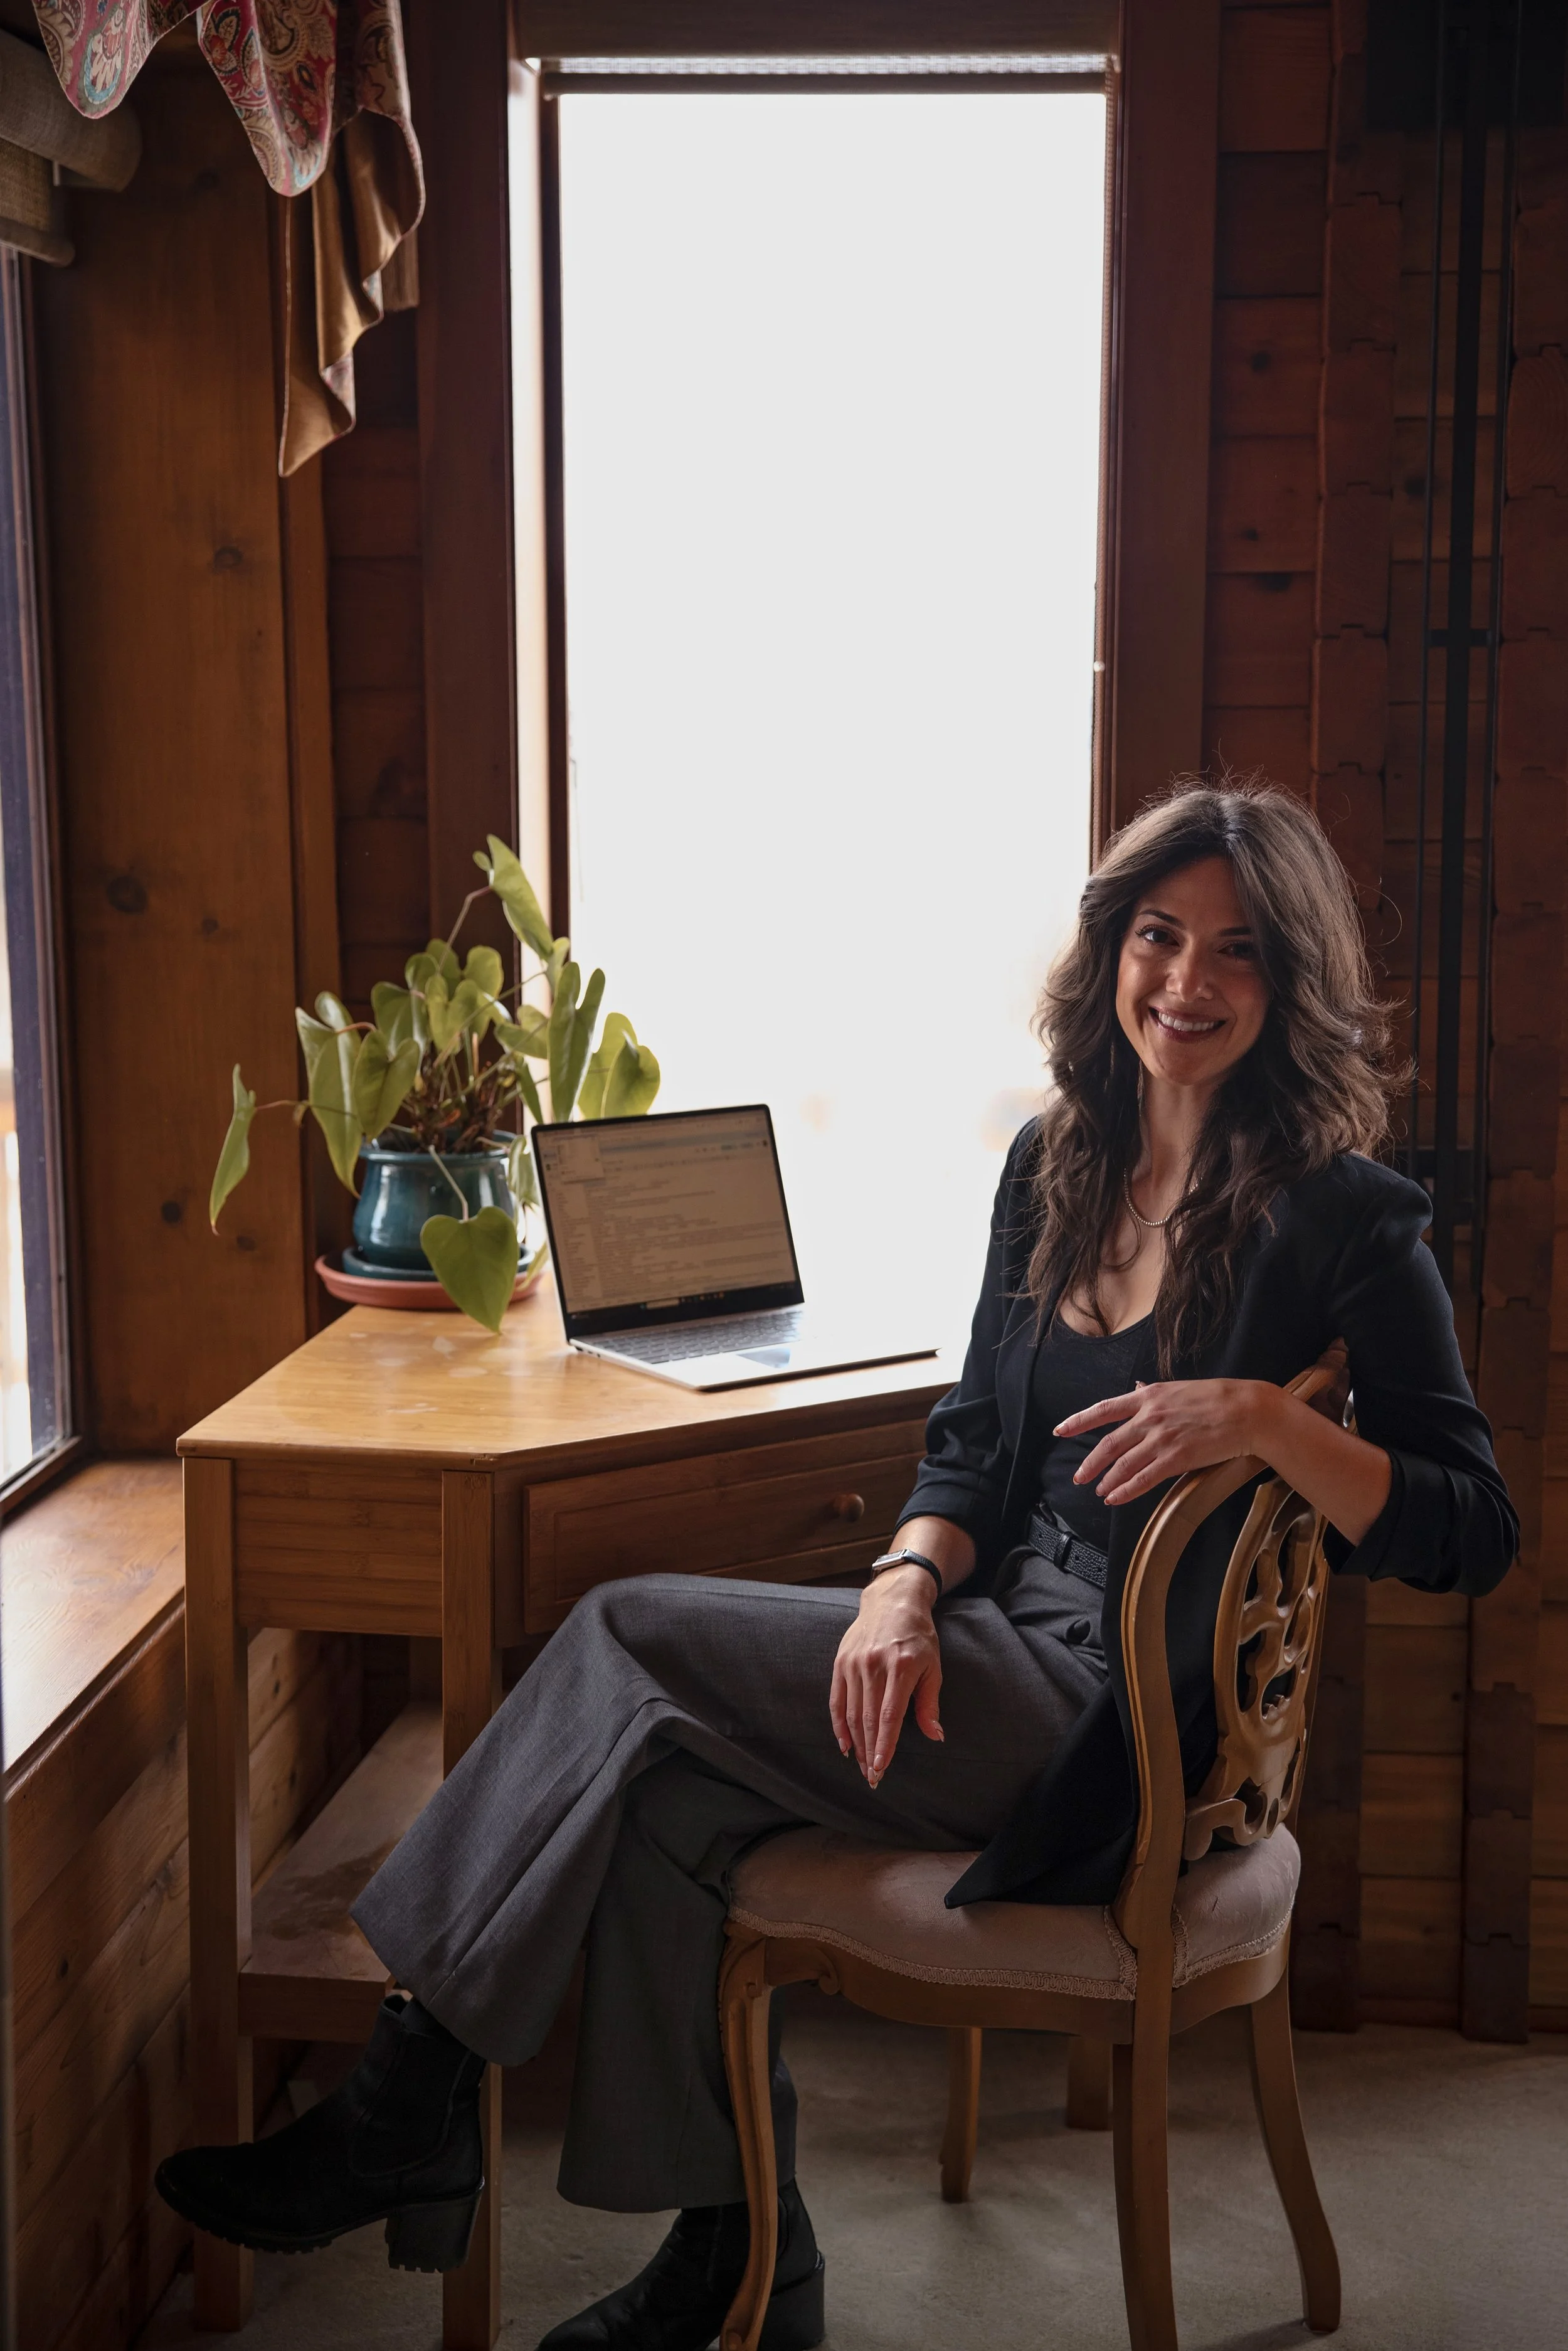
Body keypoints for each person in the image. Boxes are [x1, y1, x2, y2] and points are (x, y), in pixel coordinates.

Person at [157, 781, 1517, 2350]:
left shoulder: (1343, 1217)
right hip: (1001, 1642)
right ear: (1110, 948)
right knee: (663, 1801)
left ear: (1291, 989)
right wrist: (902, 1584)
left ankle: (404, 2094)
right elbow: (968, 1444)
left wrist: (1270, 1419)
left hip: (1122, 1724)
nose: (1185, 982)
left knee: (617, 1635)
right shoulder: (1056, 1164)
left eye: (1236, 952)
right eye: (1157, 935)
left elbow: (1467, 1525)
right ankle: (745, 2259)